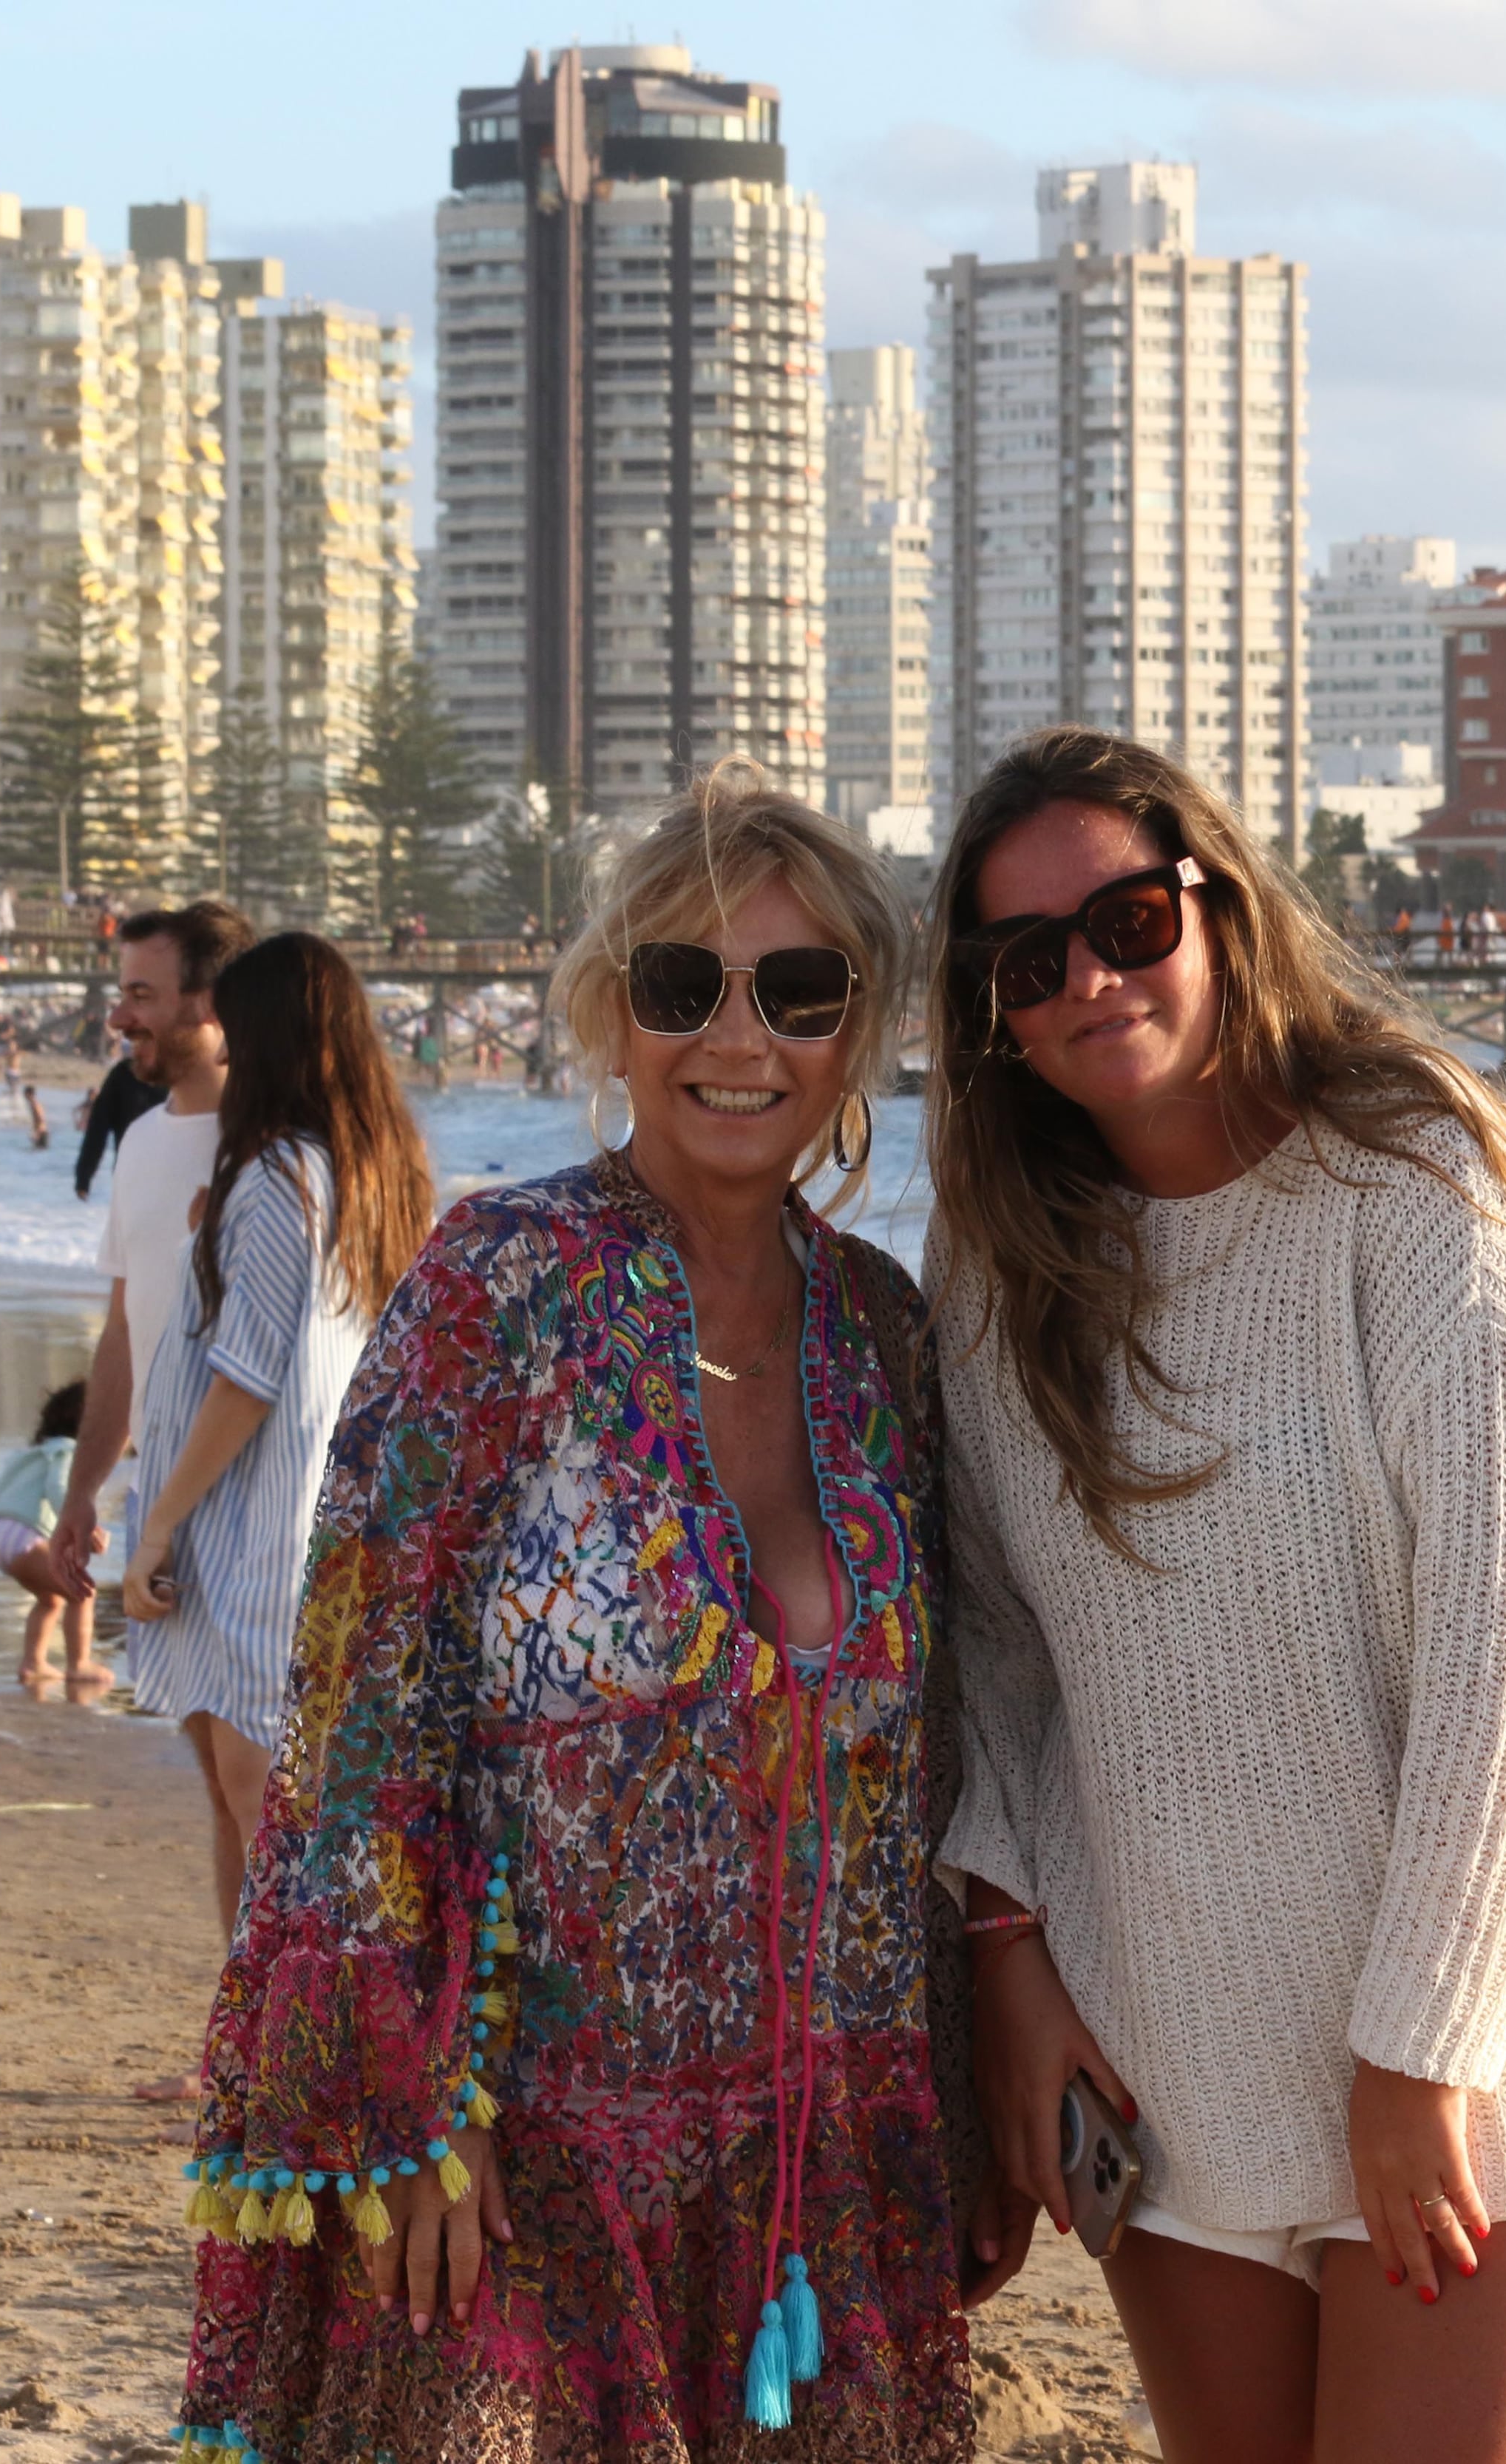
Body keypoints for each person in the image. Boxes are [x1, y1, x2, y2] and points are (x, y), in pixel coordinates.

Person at [921, 729, 1506, 2464]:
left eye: (1132, 919)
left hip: (1481, 2042)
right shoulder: (1001, 1276)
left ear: (1221, 907)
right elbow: (987, 1657)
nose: (1090, 978)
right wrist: (1010, 1969)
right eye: (1030, 958)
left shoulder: (1418, 1190)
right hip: (1167, 2046)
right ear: (989, 1004)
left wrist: (1421, 2053)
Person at [171, 773, 979, 2462]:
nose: (738, 1035)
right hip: (521, 2149)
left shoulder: (884, 1332)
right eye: (684, 984)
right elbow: (356, 1719)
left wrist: (969, 2099)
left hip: (822, 2168)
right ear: (611, 1012)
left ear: (863, 1034)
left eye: (800, 990)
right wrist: (407, 2118)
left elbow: (933, 1775)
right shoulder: (497, 1285)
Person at [117, 930, 431, 1946]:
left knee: (262, 1806)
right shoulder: (367, 1171)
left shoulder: (279, 1177)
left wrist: (159, 1526)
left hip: (258, 1528)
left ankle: (282, 2067)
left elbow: (247, 1378)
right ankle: (245, 2060)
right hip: (317, 1518)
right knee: (255, 1803)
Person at [47, 903, 251, 1615]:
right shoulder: (138, 1142)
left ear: (211, 1005)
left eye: (142, 996)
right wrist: (82, 1492)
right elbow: (124, 1333)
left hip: (260, 1501)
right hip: (158, 1489)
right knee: (196, 1727)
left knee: (244, 1730)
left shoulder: (276, 1149)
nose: (118, 1019)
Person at [0, 1379, 109, 1701]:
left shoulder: (32, 1454)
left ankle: (33, 1662)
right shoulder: (69, 1452)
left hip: (2, 1534)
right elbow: (59, 1489)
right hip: (26, 1537)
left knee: (50, 1599)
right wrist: (80, 1524)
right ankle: (79, 1664)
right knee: (82, 1591)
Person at [72, 1050, 168, 1198]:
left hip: (170, 1176)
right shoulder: (123, 1075)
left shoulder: (179, 1076)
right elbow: (98, 1128)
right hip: (130, 1176)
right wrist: (84, 1176)